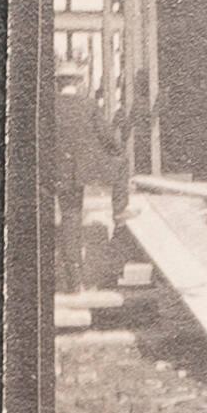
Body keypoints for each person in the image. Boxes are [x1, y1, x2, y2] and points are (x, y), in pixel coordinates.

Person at [53, 58, 125, 295]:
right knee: (72, 217)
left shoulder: (48, 107)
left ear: (59, 83)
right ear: (78, 81)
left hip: (53, 171)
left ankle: (66, 279)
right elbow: (108, 138)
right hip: (79, 172)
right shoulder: (88, 104)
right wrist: (117, 152)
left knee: (61, 218)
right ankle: (120, 213)